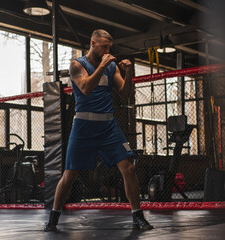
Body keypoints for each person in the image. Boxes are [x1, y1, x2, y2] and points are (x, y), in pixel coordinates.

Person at [44, 29, 153, 232]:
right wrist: (102, 66)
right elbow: (85, 88)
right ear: (92, 43)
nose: (107, 51)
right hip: (84, 126)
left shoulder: (111, 67)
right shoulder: (77, 65)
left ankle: (137, 216)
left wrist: (128, 73)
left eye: (109, 48)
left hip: (108, 126)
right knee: (70, 174)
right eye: (104, 47)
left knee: (128, 167)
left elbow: (125, 94)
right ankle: (53, 218)